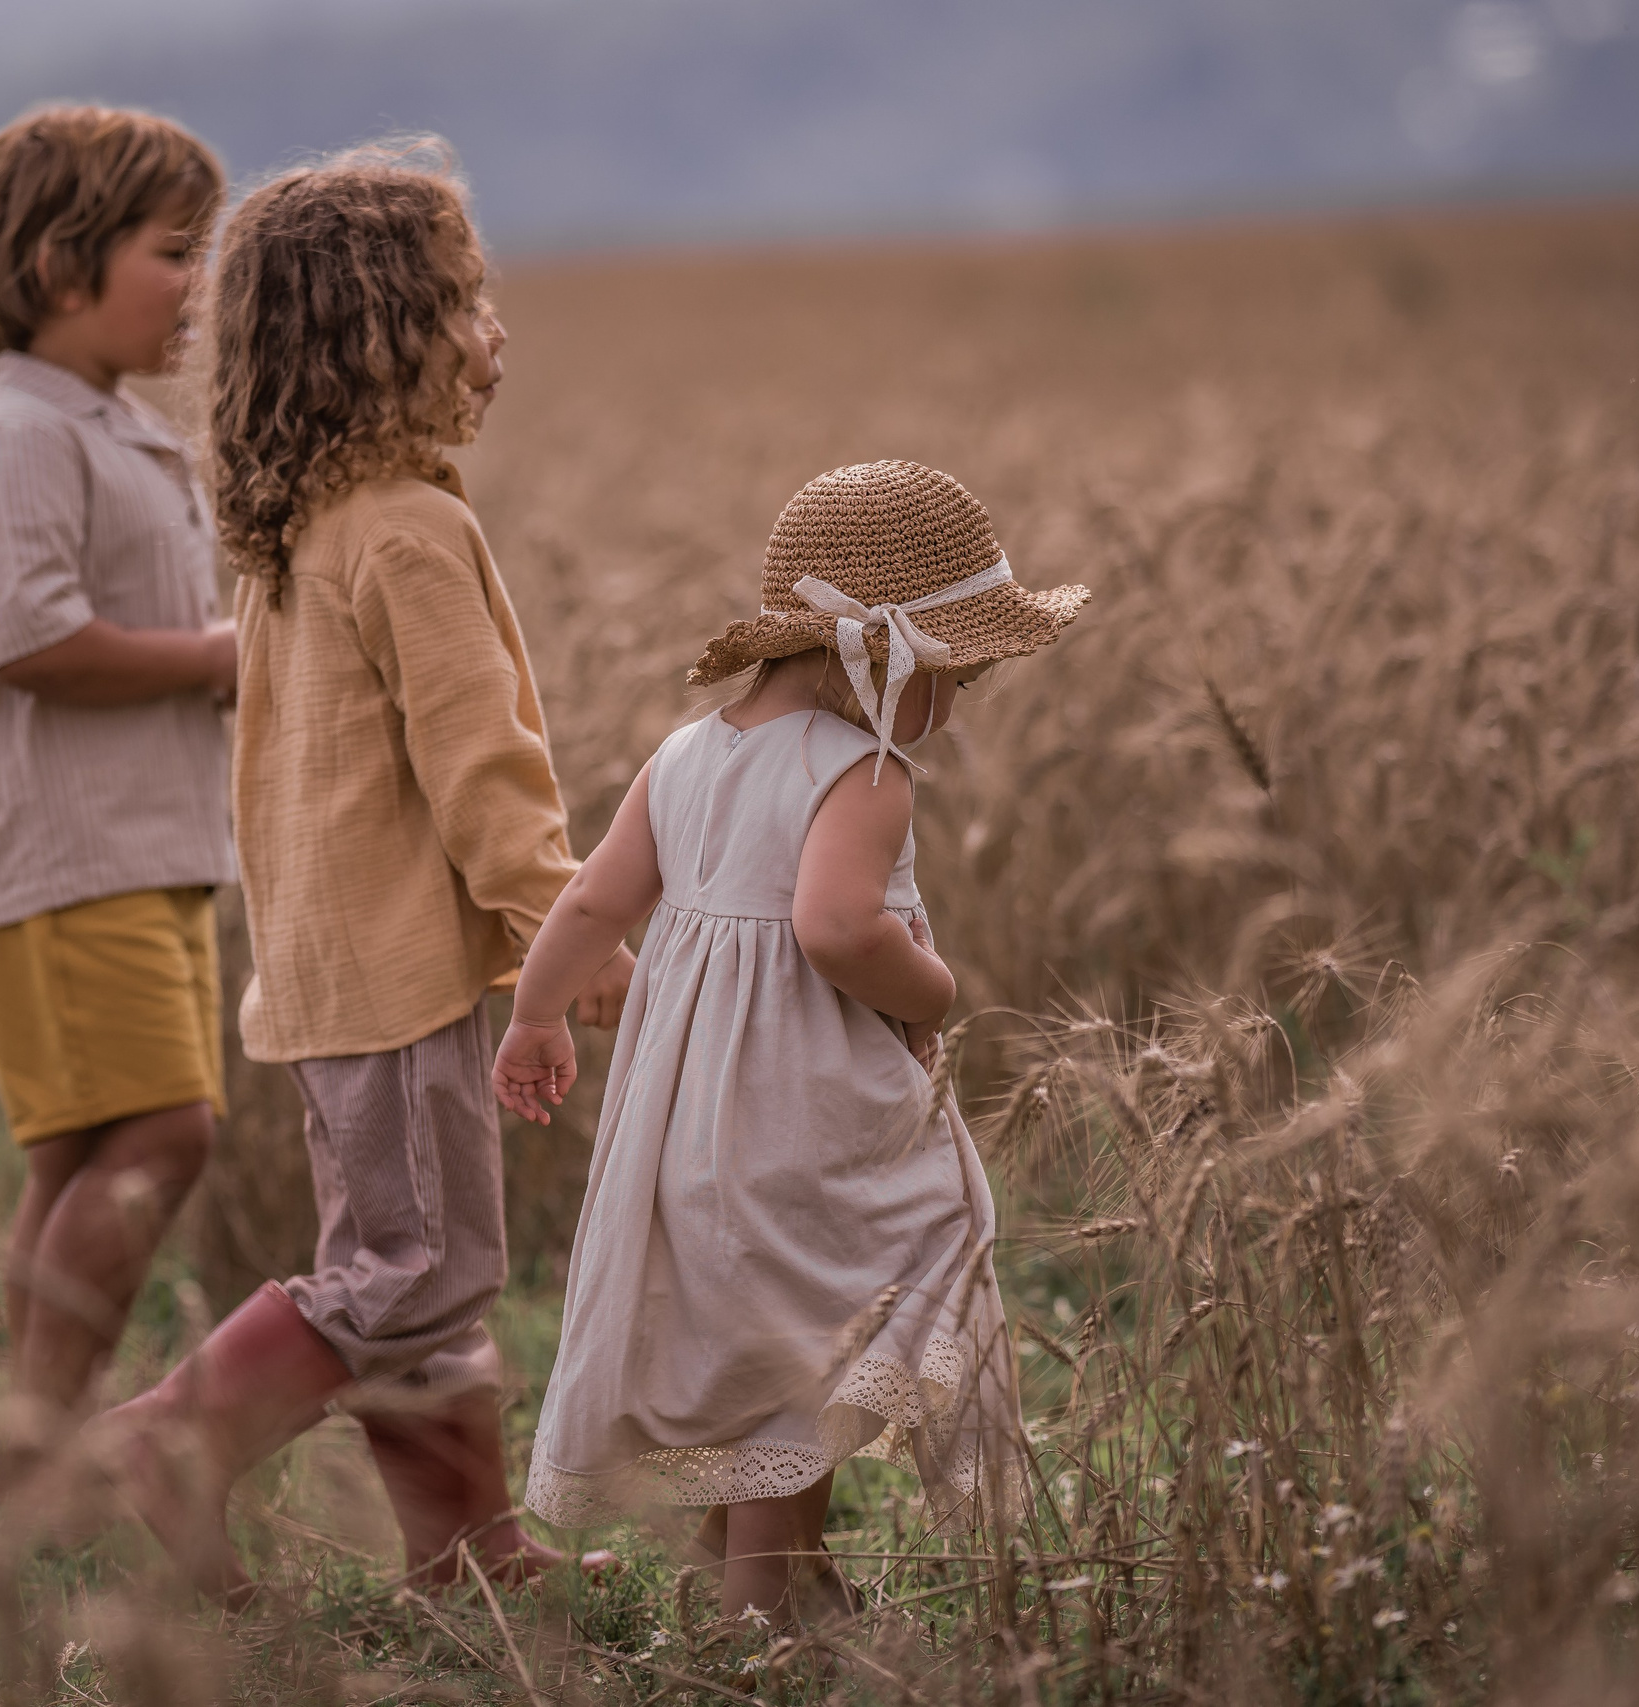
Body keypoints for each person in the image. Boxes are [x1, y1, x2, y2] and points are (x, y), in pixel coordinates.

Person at [94, 140, 632, 1606]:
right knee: (420, 1266)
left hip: (337, 968)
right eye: (465, 302)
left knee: (408, 1261)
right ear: (381, 338)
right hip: (395, 975)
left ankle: (466, 1551)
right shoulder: (405, 530)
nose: (494, 330)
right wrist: (565, 928)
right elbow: (483, 764)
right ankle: (173, 1442)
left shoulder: (309, 531)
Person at [495, 460, 1089, 1627]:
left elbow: (593, 901)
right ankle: (758, 1618)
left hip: (685, 1121)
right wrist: (933, 986)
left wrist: (534, 1015)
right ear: (884, 662)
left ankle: (780, 1577)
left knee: (748, 1327)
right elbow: (834, 930)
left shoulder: (681, 756)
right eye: (956, 677)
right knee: (815, 1339)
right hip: (803, 1112)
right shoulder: (862, 775)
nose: (957, 706)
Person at [0, 105, 235, 1500]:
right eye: (174, 252)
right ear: (60, 267)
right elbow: (36, 641)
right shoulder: (18, 439)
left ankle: (31, 1463)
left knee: (80, 1156)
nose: (199, 284)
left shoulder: (109, 427)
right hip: (64, 853)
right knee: (164, 1133)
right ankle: (39, 1464)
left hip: (147, 844)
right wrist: (226, 660)